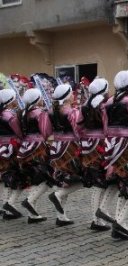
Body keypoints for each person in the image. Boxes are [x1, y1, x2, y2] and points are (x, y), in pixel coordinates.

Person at [102, 70, 128, 240]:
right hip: (127, 146)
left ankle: (121, 222)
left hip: (112, 145)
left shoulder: (109, 101)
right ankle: (120, 222)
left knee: (121, 182)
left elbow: (106, 127)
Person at [78, 78, 114, 231]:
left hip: (88, 144)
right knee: (102, 182)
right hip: (101, 144)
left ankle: (96, 218)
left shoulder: (85, 105)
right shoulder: (104, 105)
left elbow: (79, 125)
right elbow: (107, 127)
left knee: (97, 182)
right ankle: (97, 219)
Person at [47, 84, 83, 226]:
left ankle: (61, 216)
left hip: (56, 147)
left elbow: (46, 130)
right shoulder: (72, 112)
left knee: (63, 180)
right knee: (80, 179)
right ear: (68, 96)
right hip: (70, 148)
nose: (74, 94)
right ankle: (57, 195)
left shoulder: (50, 112)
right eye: (71, 93)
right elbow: (78, 130)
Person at [17, 88, 53, 223]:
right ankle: (30, 201)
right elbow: (46, 131)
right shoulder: (39, 113)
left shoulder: (22, 113)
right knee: (46, 177)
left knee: (34, 178)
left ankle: (33, 214)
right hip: (38, 147)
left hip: (26, 146)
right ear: (37, 98)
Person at [0, 89, 24, 220]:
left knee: (6, 178)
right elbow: (20, 133)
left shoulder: (2, 114)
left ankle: (5, 206)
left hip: (1, 148)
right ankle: (9, 207)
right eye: (15, 97)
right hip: (11, 147)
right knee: (15, 177)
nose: (17, 99)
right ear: (10, 100)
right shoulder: (10, 117)